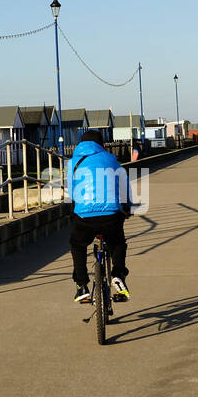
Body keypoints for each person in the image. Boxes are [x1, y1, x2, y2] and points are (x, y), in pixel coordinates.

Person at [68, 129, 131, 303]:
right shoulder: (112, 160)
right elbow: (124, 185)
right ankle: (118, 276)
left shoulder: (73, 162)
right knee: (118, 243)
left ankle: (81, 285)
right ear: (102, 145)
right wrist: (127, 208)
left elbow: (72, 191)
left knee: (77, 244)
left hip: (84, 216)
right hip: (111, 215)